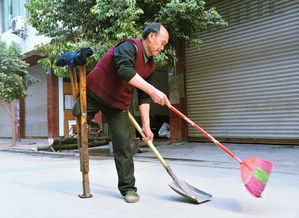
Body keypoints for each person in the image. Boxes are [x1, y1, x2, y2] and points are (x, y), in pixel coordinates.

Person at [86, 22, 170, 203]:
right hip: (95, 93)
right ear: (151, 36)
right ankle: (88, 119)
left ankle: (128, 188)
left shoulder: (151, 66)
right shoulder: (128, 46)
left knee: (123, 145)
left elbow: (143, 96)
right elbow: (125, 70)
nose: (162, 48)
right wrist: (153, 90)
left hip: (118, 104)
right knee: (80, 116)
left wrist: (146, 126)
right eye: (161, 43)